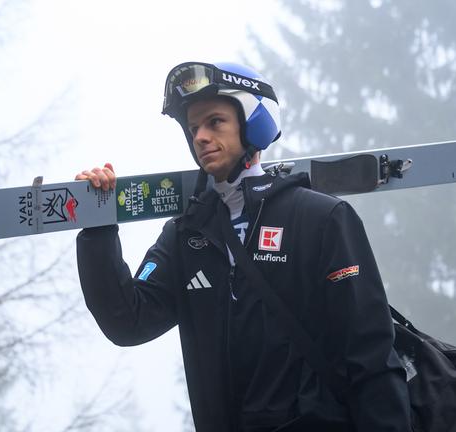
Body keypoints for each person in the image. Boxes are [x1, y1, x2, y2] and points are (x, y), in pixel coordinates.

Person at [74, 61, 411, 431]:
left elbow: (371, 358)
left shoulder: (321, 219)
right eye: (193, 128)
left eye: (215, 122)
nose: (200, 136)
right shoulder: (187, 236)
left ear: (253, 123)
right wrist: (98, 230)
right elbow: (128, 321)